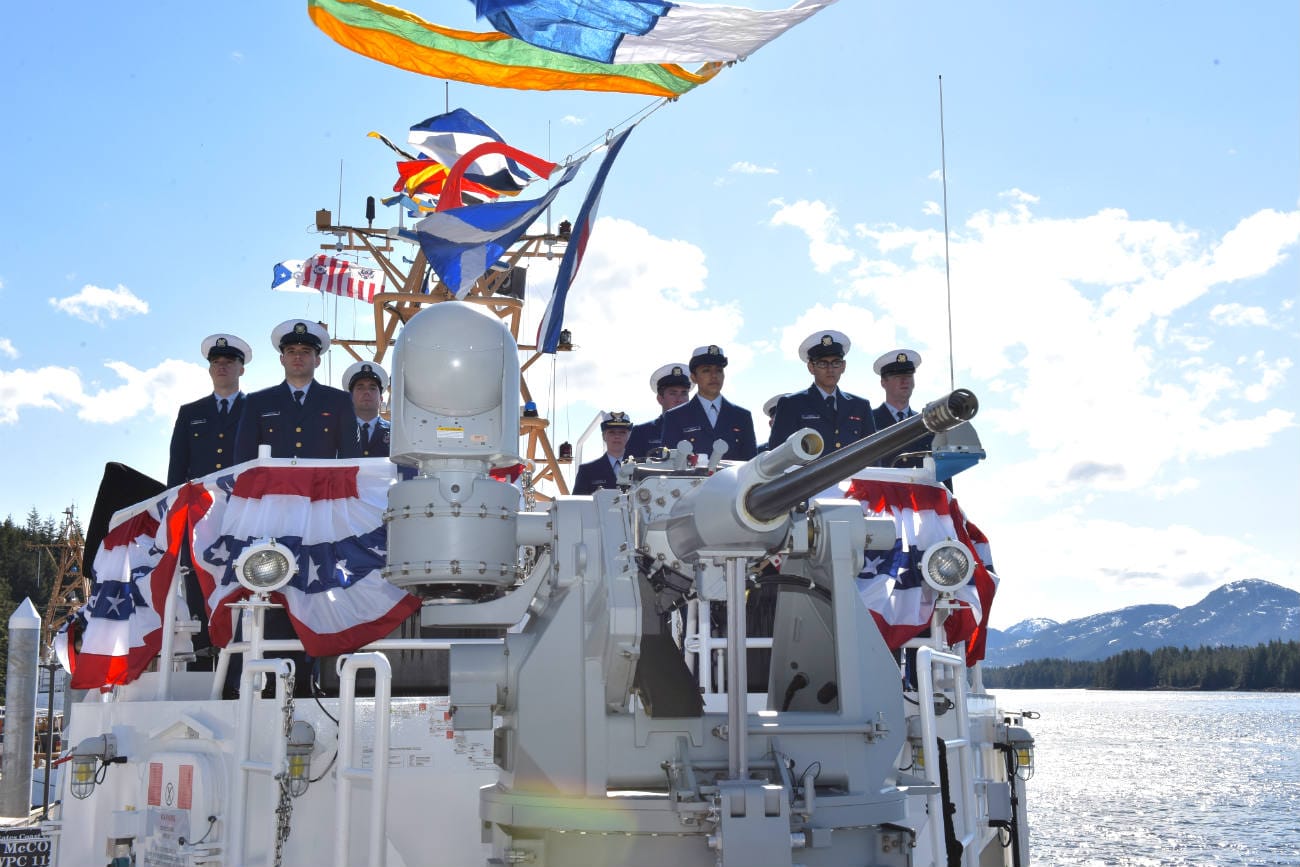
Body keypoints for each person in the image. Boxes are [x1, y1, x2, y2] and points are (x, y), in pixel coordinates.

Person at [234, 320, 362, 463]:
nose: (297, 357)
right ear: (282, 359)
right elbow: (243, 459)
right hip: (273, 485)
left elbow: (351, 458)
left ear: (317, 360)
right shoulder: (257, 402)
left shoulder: (339, 401)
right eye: (291, 351)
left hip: (322, 485)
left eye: (306, 352)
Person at [768, 330, 875, 454]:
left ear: (843, 366)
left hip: (854, 474)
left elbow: (872, 454)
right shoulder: (792, 404)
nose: (830, 369)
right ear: (811, 368)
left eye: (836, 363)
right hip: (810, 474)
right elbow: (778, 456)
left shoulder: (860, 406)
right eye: (822, 364)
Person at [168, 333, 252, 487]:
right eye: (215, 362)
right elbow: (177, 465)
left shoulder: (255, 409)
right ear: (210, 369)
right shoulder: (190, 413)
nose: (221, 366)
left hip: (242, 498)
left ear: (241, 370)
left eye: (229, 361)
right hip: (200, 500)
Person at [659, 345, 757, 461]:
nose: (714, 376)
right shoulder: (675, 416)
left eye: (719, 370)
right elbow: (670, 464)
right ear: (694, 377)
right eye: (706, 370)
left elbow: (750, 463)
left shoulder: (742, 416)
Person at [871, 348, 932, 468]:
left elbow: (941, 474)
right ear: (883, 382)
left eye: (908, 375)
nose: (904, 381)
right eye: (897, 376)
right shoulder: (869, 421)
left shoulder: (926, 423)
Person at [626, 362, 692, 458]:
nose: (679, 399)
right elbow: (629, 471)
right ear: (660, 398)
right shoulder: (642, 433)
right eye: (673, 393)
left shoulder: (701, 430)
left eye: (684, 393)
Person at [573, 411, 633, 494]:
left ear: (629, 436)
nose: (617, 436)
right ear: (604, 436)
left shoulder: (641, 469)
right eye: (612, 432)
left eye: (622, 432)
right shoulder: (587, 471)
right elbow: (579, 505)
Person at [343, 360, 391, 458]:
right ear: (351, 397)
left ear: (381, 398)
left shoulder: (395, 432)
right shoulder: (339, 431)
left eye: (372, 388)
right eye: (360, 388)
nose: (367, 392)